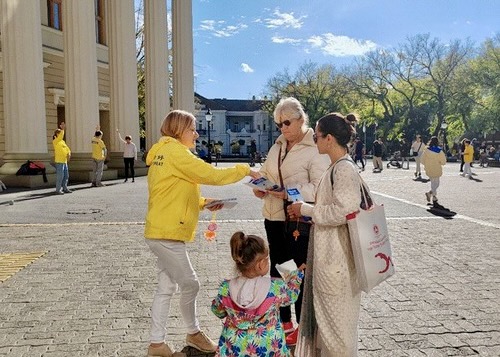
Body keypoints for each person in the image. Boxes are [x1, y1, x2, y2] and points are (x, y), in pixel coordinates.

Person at [144, 109, 259, 357]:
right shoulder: (175, 152)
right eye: (192, 129)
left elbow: (172, 191)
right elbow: (211, 174)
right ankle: (193, 333)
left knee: (166, 287)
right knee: (191, 284)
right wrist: (245, 170)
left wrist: (204, 202)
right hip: (167, 233)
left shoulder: (165, 152)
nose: (196, 134)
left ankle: (157, 344)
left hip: (163, 229)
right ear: (179, 130)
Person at [252, 97, 329, 346]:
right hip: (273, 216)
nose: (283, 128)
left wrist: (288, 193)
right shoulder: (277, 145)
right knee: (279, 268)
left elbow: (319, 189)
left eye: (287, 122)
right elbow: (265, 174)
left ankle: (302, 324)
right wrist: (259, 186)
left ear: (301, 120)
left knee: (297, 271)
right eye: (278, 124)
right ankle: (283, 320)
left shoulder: (315, 148)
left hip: (298, 219)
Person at [287, 112, 363, 356]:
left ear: (329, 138)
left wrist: (306, 209)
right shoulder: (337, 167)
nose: (315, 140)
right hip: (331, 258)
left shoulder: (343, 170)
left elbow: (345, 211)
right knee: (330, 327)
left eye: (317, 136)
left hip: (337, 260)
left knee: (336, 329)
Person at [211, 231, 304, 356]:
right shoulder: (275, 288)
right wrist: (295, 275)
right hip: (269, 346)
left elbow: (218, 311)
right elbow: (292, 295)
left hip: (234, 346)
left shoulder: (225, 288)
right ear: (261, 264)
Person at [421, 136, 446, 205]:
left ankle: (434, 197)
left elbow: (422, 160)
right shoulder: (439, 150)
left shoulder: (426, 150)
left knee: (432, 182)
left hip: (429, 167)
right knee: (437, 183)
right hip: (436, 167)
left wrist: (426, 163)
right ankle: (430, 193)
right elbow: (443, 161)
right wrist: (442, 163)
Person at [52, 122, 72, 194]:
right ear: (57, 134)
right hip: (59, 161)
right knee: (60, 176)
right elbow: (60, 136)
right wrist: (62, 129)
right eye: (60, 133)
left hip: (64, 161)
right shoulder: (55, 141)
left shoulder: (62, 142)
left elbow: (67, 149)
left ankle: (65, 188)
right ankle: (58, 190)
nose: (62, 135)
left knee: (66, 176)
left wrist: (69, 154)